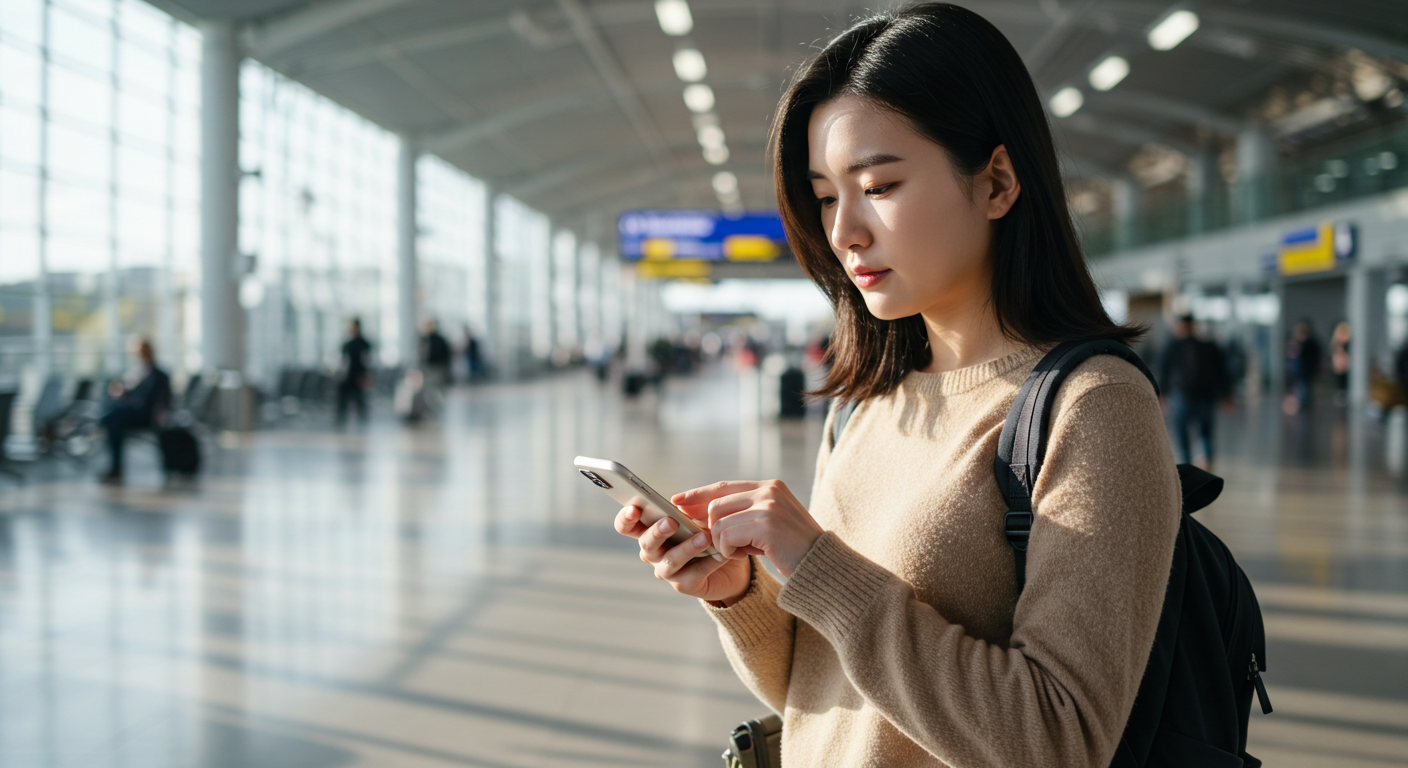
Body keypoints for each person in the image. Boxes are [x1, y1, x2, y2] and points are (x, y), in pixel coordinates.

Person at [613, 5, 1181, 766]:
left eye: (877, 185)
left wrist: (819, 565)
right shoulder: (862, 403)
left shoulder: (1092, 408)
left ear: (998, 182)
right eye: (824, 195)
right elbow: (817, 694)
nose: (842, 229)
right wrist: (738, 594)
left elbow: (1059, 739)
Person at [1158, 315, 1229, 468]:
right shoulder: (1208, 346)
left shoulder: (1172, 347)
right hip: (1204, 397)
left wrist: (1162, 394)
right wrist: (1226, 395)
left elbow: (1164, 372)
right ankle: (1206, 462)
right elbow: (1221, 372)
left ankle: (1187, 466)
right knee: (1205, 433)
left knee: (1183, 435)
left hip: (1182, 397)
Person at [99, 338, 170, 483]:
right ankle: (115, 465)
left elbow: (162, 401)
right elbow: (135, 396)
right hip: (136, 412)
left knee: (113, 418)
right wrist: (124, 392)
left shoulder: (157, 375)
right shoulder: (144, 374)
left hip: (145, 416)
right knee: (113, 415)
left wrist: (161, 414)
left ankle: (116, 466)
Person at [336, 317, 373, 426]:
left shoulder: (364, 343)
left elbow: (368, 361)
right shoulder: (347, 344)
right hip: (347, 376)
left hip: (359, 376)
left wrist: (366, 377)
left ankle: (362, 424)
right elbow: (343, 362)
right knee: (342, 401)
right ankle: (341, 424)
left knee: (360, 402)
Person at [1284, 319, 1321, 415]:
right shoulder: (1296, 343)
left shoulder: (1311, 344)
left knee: (1305, 391)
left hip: (1306, 373)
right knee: (1301, 391)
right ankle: (1302, 408)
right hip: (1298, 373)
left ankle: (1304, 409)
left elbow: (1313, 360)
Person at [1330, 320, 1351, 405]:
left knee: (1345, 380)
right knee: (1340, 380)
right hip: (1339, 362)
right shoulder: (1336, 342)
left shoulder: (1348, 343)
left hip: (1345, 363)